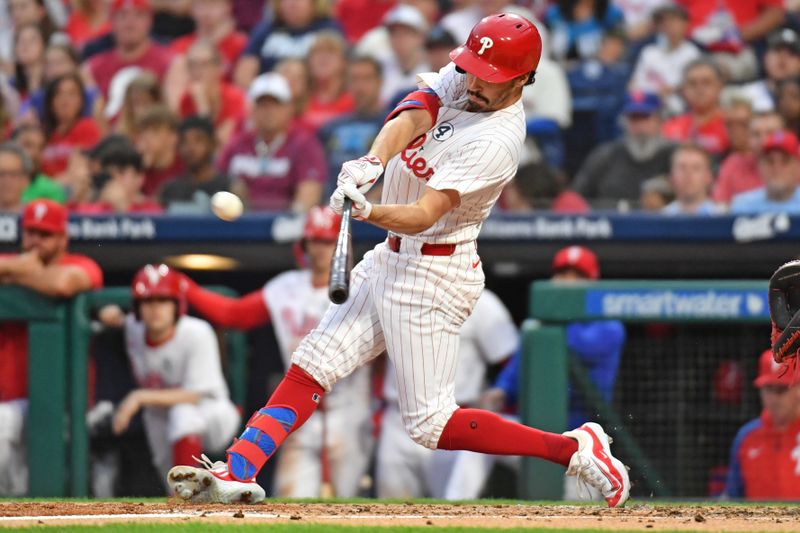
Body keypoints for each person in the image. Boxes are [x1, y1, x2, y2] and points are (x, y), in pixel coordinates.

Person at [168, 13, 630, 508]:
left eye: (489, 78)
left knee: (430, 424)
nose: (474, 82)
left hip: (434, 271)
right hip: (390, 258)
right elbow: (417, 110)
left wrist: (367, 210)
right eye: (472, 68)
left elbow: (424, 214)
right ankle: (239, 466)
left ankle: (576, 449)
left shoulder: (496, 142)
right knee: (313, 362)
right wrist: (373, 160)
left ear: (522, 80)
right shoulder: (471, 77)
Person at [175, 207, 374, 498]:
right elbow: (234, 313)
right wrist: (186, 288)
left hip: (350, 408)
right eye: (313, 242)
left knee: (348, 501)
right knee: (291, 498)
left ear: (340, 246)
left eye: (327, 242)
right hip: (300, 407)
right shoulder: (286, 288)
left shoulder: (363, 287)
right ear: (303, 246)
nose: (319, 250)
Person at [444, 245, 625, 500]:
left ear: (591, 282)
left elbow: (579, 346)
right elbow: (518, 368)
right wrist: (501, 391)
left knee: (577, 514)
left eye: (577, 276)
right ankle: (453, 511)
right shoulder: (538, 327)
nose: (566, 283)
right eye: (562, 275)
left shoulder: (608, 325)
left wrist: (545, 319)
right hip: (539, 435)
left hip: (581, 443)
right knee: (477, 441)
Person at [96, 264, 241, 489]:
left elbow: (194, 396)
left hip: (211, 412)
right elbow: (115, 318)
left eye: (163, 301)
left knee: (183, 415)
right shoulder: (134, 329)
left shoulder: (196, 333)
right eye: (148, 301)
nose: (155, 309)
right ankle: (186, 505)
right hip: (160, 412)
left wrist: (139, 397)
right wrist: (105, 313)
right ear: (137, 307)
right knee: (172, 483)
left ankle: (194, 495)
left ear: (177, 305)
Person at [0, 198, 103, 495]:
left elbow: (64, 283)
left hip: (64, 401)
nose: (35, 242)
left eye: (45, 235)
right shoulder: (14, 263)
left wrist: (14, 270)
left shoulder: (81, 263)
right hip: (12, 399)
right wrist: (20, 266)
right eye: (31, 233)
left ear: (63, 238)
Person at [376, 288, 518, 499]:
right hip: (399, 419)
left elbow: (512, 357)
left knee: (450, 509)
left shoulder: (481, 301)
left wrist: (500, 392)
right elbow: (374, 357)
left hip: (452, 419)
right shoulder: (395, 293)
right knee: (391, 509)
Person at [219, 72, 326, 213]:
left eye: (275, 104)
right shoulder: (237, 145)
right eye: (262, 105)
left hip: (285, 229)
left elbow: (308, 197)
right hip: (239, 226)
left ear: (289, 108)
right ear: (252, 109)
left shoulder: (304, 145)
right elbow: (217, 185)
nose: (268, 111)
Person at [572, 91, 674, 205]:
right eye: (633, 118)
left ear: (659, 120)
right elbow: (574, 198)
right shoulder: (605, 155)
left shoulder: (674, 156)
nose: (639, 125)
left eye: (645, 117)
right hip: (610, 219)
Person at [724, 350, 800, 500]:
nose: (774, 398)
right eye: (768, 389)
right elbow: (733, 498)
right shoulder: (747, 436)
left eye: (781, 389)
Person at [318, 56, 386, 198]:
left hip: (372, 208)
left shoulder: (392, 124)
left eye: (366, 79)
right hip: (332, 204)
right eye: (355, 79)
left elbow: (399, 173)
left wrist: (367, 202)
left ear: (379, 82)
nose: (360, 86)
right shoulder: (331, 127)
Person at [233, 0, 340, 89]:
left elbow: (339, 73)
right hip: (273, 99)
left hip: (313, 102)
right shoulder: (266, 30)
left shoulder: (328, 29)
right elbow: (243, 74)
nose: (292, 3)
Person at [84, 0, 174, 101]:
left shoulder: (170, 64)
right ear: (112, 21)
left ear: (150, 21)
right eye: (123, 15)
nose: (130, 23)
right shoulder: (92, 69)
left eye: (138, 15)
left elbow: (172, 110)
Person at [629, 4, 700, 115]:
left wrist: (668, 90)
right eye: (664, 21)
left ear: (686, 24)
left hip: (677, 108)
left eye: (673, 20)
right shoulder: (649, 51)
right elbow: (634, 84)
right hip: (646, 107)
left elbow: (690, 85)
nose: (668, 24)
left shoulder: (693, 53)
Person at [176, 40, 246, 147]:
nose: (197, 71)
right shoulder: (187, 100)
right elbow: (190, 146)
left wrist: (203, 106)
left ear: (218, 68)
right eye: (192, 65)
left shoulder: (235, 97)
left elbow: (221, 142)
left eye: (204, 64)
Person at [159, 116, 229, 213]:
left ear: (212, 144)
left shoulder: (229, 188)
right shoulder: (169, 190)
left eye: (198, 140)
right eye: (184, 141)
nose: (190, 148)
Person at [713, 111, 784, 205]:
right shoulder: (733, 165)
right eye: (756, 134)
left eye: (770, 133)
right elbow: (720, 207)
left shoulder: (796, 164)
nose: (763, 140)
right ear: (748, 138)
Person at [662, 58, 729, 156]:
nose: (699, 89)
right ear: (683, 89)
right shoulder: (670, 126)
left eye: (706, 83)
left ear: (719, 87)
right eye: (692, 83)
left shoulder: (730, 125)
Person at [40, 73, 102, 178]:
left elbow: (85, 170)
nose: (65, 100)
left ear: (81, 101)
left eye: (72, 94)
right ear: (50, 101)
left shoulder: (87, 127)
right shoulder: (41, 132)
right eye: (58, 94)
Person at [76, 143, 162, 213]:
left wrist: (122, 208)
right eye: (111, 173)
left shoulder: (152, 210)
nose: (115, 178)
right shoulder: (98, 207)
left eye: (121, 172)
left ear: (139, 178)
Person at [730, 130, 800, 214]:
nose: (776, 168)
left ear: (797, 166)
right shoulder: (742, 206)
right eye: (770, 161)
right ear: (760, 166)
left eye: (785, 161)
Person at [302, 32, 354, 131]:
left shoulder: (354, 101)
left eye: (330, 52)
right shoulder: (299, 101)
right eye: (317, 52)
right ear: (308, 62)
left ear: (344, 62)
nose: (323, 57)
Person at [134, 105, 184, 196]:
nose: (146, 137)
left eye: (155, 131)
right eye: (143, 131)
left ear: (173, 137)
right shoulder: (136, 170)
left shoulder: (185, 168)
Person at [11, 124, 66, 204]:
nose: (35, 153)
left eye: (41, 148)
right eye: (27, 145)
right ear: (10, 145)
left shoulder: (51, 190)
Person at [662, 144, 720, 215]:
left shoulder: (721, 217)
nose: (688, 174)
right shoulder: (661, 218)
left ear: (708, 177)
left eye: (696, 168)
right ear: (671, 176)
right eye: (682, 167)